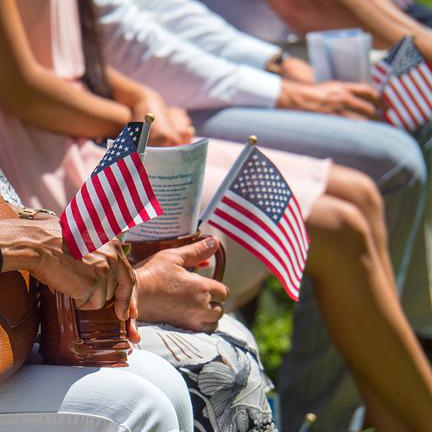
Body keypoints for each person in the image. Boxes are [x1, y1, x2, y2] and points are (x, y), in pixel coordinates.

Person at [1, 0, 431, 431]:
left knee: (359, 202)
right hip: (53, 173)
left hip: (88, 137)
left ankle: (384, 415)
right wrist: (130, 118)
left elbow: (93, 48)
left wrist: (139, 96)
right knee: (341, 228)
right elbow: (19, 87)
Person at [0, 172, 194, 432]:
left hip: (17, 335)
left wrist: (43, 224)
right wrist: (33, 243)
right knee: (137, 408)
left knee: (166, 381)